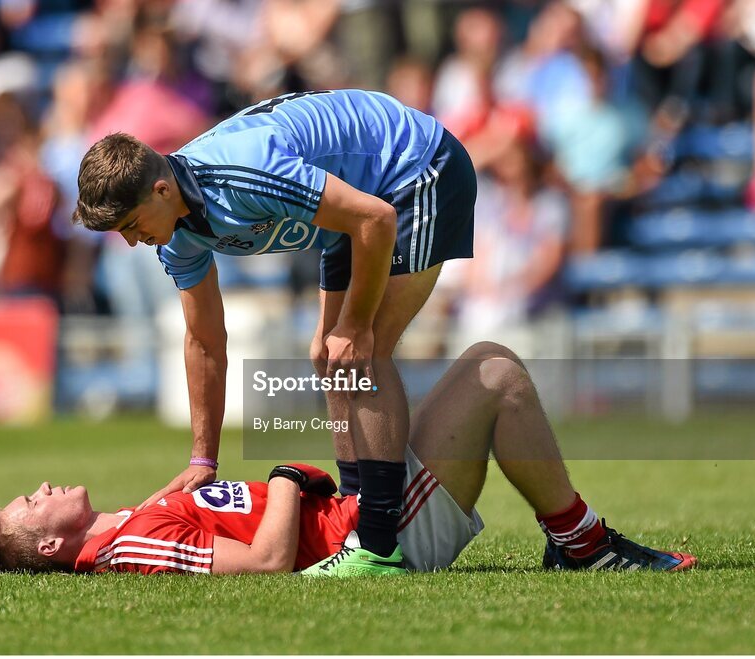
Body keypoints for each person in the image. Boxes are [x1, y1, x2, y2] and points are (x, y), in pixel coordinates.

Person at [72, 89, 478, 576]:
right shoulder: (175, 233)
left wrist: (354, 325)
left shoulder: (244, 172)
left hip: (416, 169)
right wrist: (204, 460)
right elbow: (204, 340)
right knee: (329, 358)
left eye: (132, 225)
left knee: (361, 355)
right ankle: (352, 522)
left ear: (161, 190)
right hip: (354, 214)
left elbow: (375, 217)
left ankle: (378, 546)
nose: (132, 241)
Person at [0, 342, 697, 575]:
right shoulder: (128, 547)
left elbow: (206, 523)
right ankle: (584, 543)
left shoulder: (122, 527)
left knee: (350, 361)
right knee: (494, 373)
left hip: (354, 509)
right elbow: (271, 562)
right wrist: (284, 475)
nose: (42, 484)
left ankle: (578, 540)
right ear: (52, 542)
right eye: (31, 498)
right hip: (368, 539)